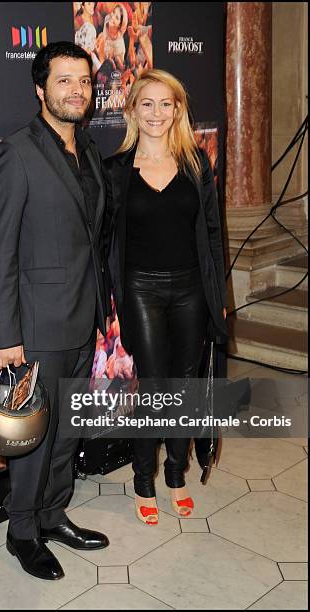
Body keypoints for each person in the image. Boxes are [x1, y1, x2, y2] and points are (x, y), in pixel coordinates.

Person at [0, 41, 111, 581]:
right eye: (64, 81)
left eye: (83, 81)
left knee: (68, 430)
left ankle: (54, 515)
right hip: (36, 325)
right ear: (40, 89)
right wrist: (7, 334)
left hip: (84, 318)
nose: (77, 91)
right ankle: (22, 532)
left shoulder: (90, 150)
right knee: (34, 437)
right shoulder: (15, 152)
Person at [103, 69, 228, 525]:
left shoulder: (197, 163)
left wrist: (219, 294)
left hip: (191, 288)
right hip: (141, 288)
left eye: (167, 104)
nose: (157, 113)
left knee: (185, 385)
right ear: (132, 110)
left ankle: (176, 472)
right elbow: (103, 244)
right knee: (154, 386)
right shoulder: (114, 171)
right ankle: (142, 478)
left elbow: (213, 234)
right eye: (148, 104)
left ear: (178, 110)